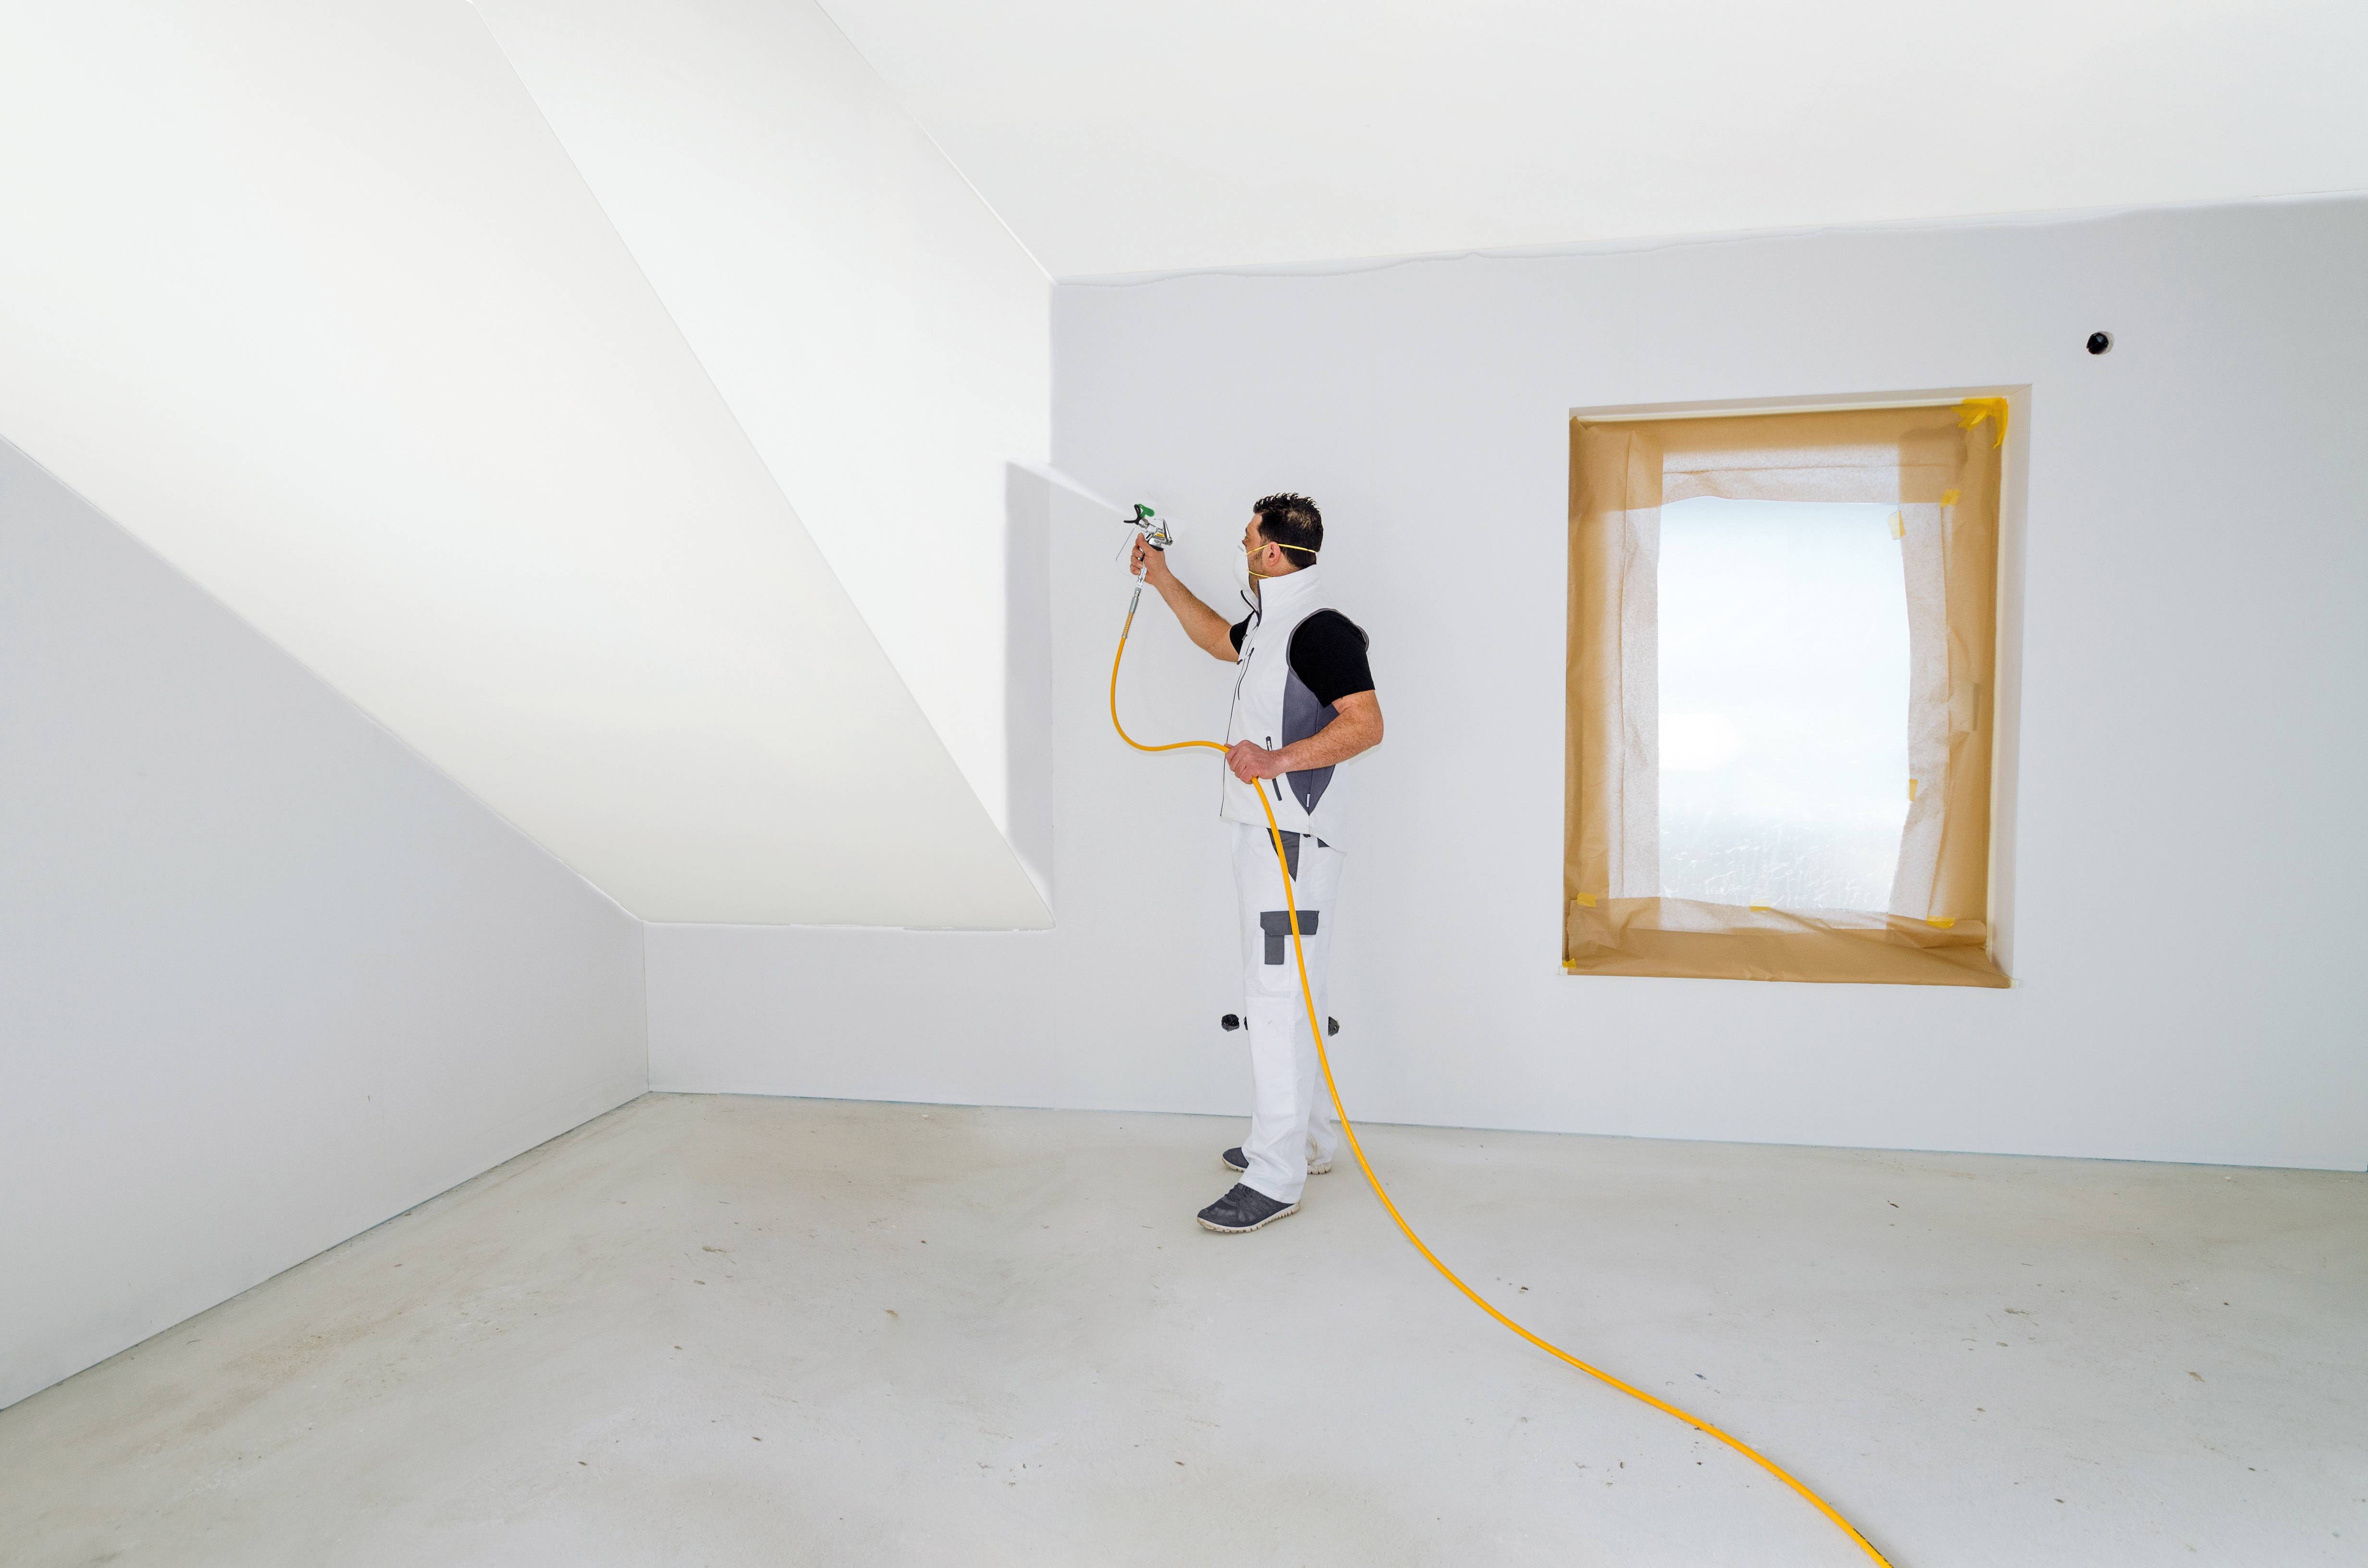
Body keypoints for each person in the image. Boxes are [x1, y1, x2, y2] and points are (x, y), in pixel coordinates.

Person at [1130, 493, 1383, 1233]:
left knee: (1276, 999)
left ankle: (1276, 1176)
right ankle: (1305, 1140)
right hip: (1266, 837)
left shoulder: (1321, 630)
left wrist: (1275, 761)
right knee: (1293, 993)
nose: (1242, 547)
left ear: (1272, 552)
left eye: (1248, 539)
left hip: (1290, 846)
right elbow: (1219, 640)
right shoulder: (1273, 624)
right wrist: (1162, 578)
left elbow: (1366, 725)